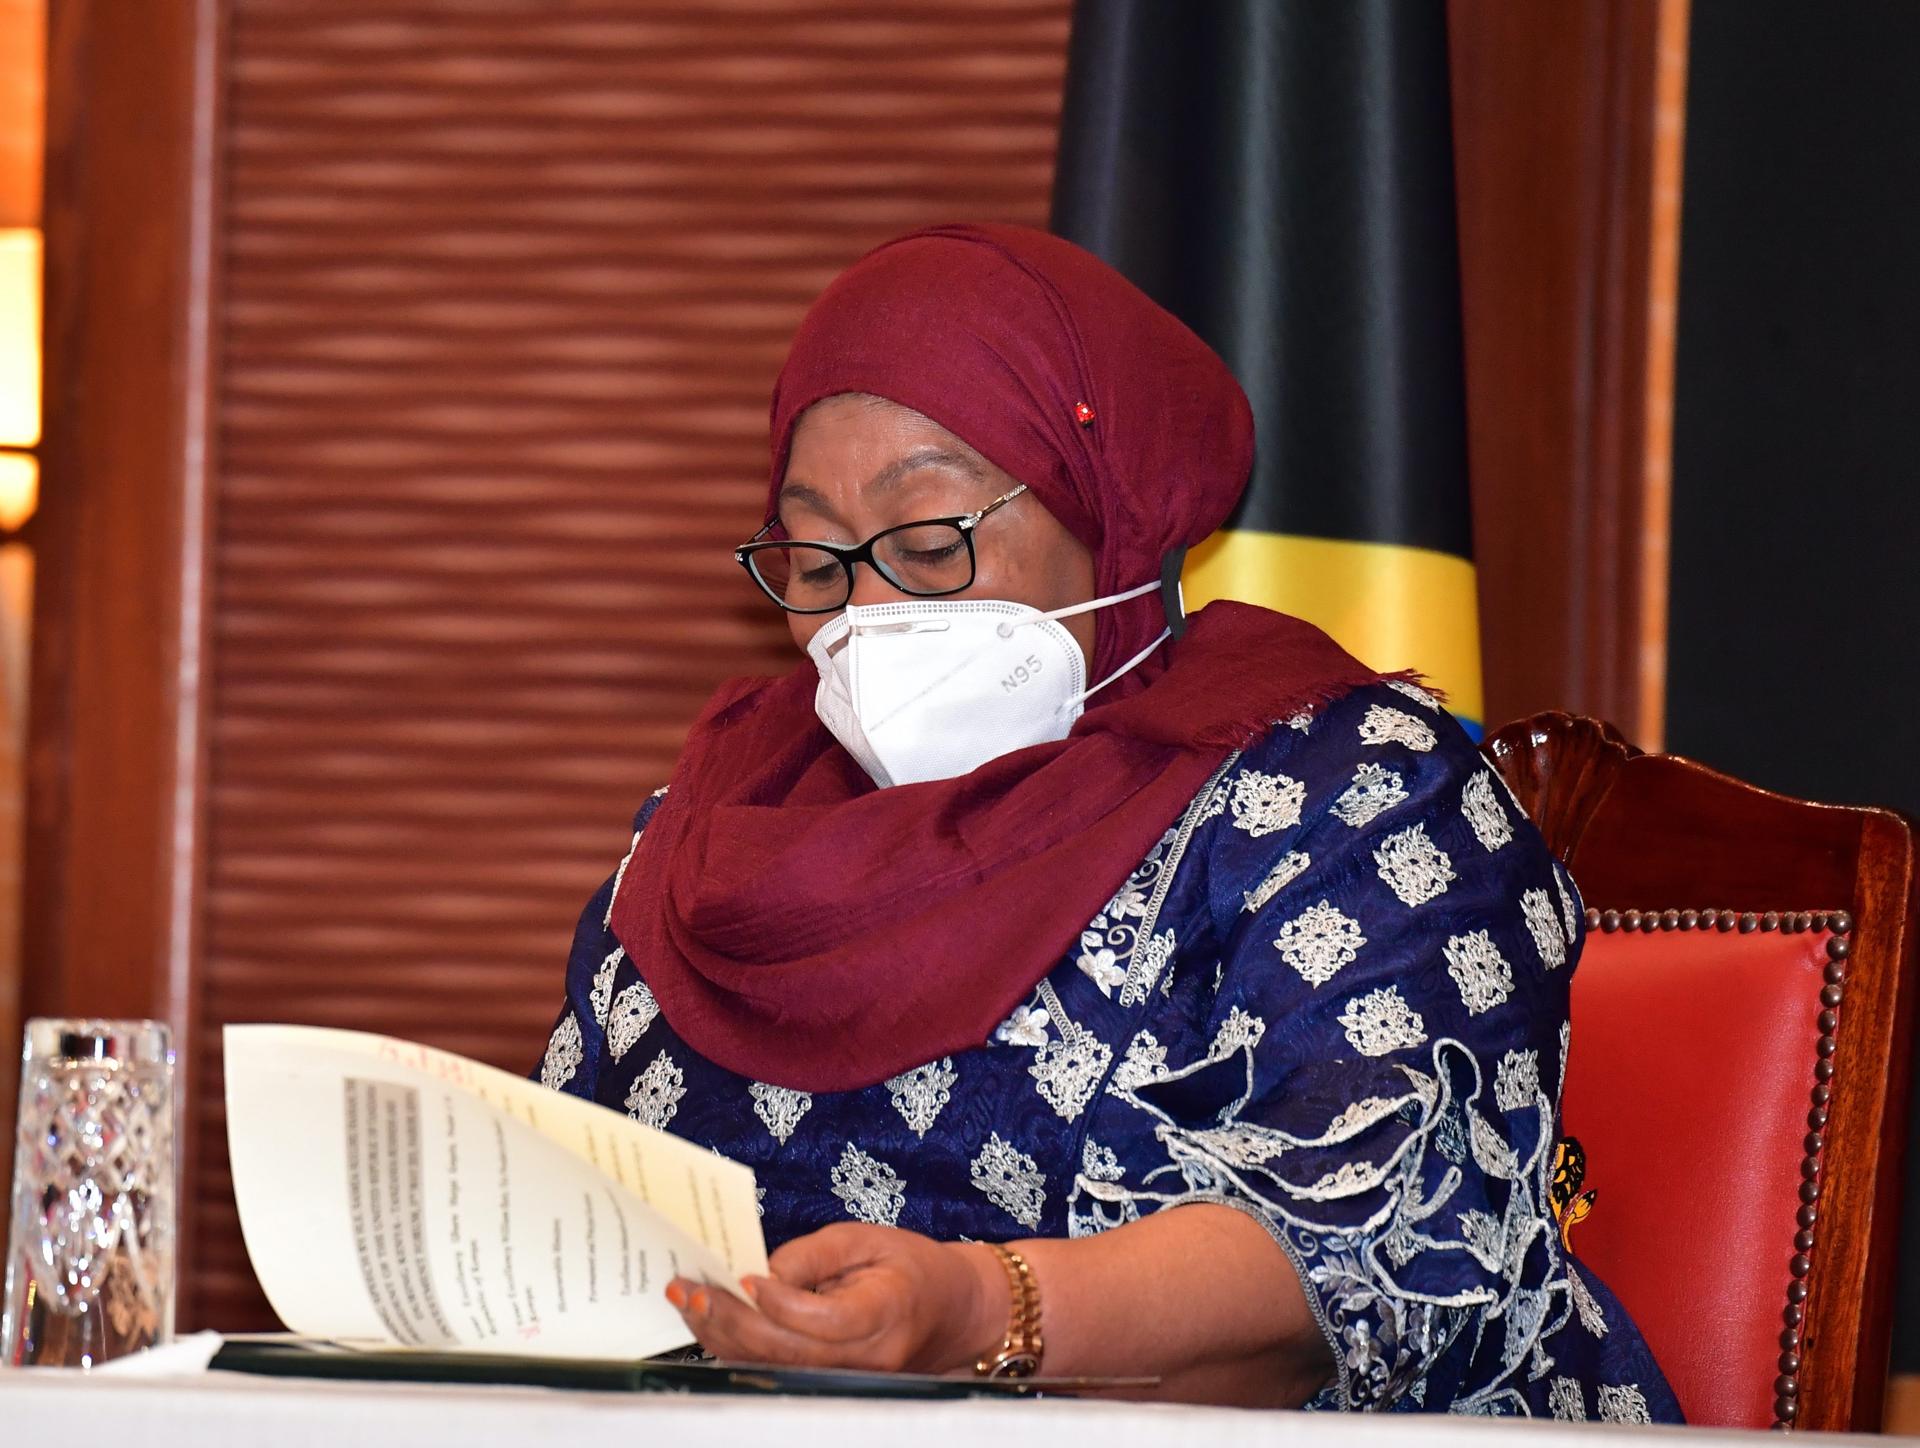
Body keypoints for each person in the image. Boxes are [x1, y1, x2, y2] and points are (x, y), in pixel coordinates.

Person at [535, 223, 1680, 1419]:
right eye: (818, 564)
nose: (866, 612)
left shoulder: (1347, 793)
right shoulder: (720, 815)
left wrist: (987, 1312)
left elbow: (1375, 1252)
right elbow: (562, 1197)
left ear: (1110, 514)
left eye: (928, 543)